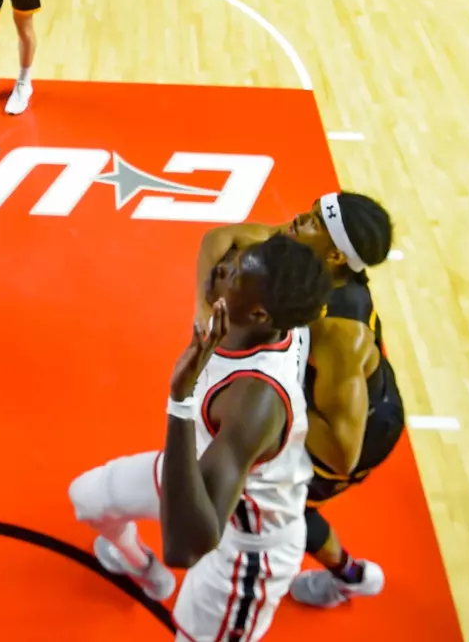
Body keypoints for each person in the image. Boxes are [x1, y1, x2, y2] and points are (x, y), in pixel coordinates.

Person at [67, 235, 332, 639]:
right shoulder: (268, 311)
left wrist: (180, 401)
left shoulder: (253, 401)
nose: (224, 265)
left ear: (260, 312)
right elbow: (225, 238)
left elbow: (185, 546)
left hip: (247, 548)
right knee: (88, 497)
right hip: (207, 470)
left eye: (239, 272)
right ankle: (140, 567)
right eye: (237, 259)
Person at [197, 193, 401, 609]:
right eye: (308, 211)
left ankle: (351, 576)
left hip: (350, 431)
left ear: (334, 256)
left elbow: (343, 452)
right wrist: (205, 316)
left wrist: (275, 385)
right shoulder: (301, 249)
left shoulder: (342, 333)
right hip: (317, 397)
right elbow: (220, 237)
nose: (295, 220)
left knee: (281, 508)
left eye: (311, 221)